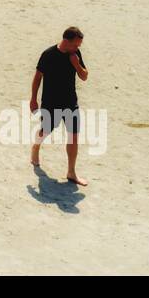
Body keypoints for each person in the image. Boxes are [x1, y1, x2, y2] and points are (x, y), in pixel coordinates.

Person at [30, 26, 90, 186]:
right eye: (76, 45)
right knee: (46, 131)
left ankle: (71, 172)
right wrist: (33, 99)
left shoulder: (75, 55)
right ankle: (36, 147)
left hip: (71, 102)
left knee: (74, 136)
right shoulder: (48, 54)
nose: (77, 48)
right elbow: (37, 78)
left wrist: (76, 65)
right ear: (66, 41)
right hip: (51, 102)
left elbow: (84, 76)